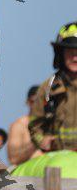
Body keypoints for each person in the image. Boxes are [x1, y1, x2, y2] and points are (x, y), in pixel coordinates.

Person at [29, 22, 77, 153]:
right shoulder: (48, 88)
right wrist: (42, 140)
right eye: (70, 52)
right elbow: (34, 125)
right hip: (59, 159)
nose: (75, 58)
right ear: (60, 54)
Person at [7, 86, 42, 166]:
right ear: (28, 102)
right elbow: (13, 159)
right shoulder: (19, 125)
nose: (36, 105)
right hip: (28, 172)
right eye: (33, 101)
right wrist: (37, 142)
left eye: (40, 101)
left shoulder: (54, 124)